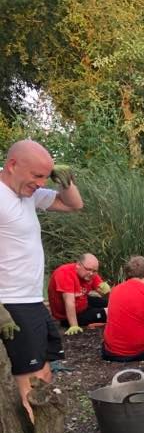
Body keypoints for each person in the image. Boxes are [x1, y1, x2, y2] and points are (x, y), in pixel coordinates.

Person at [0, 140, 83, 418]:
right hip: (11, 303)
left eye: (45, 177)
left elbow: (74, 205)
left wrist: (65, 181)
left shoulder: (28, 196)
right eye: (35, 175)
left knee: (44, 371)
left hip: (33, 301)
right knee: (29, 380)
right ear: (12, 165)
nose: (39, 183)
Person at [48, 253, 110, 333]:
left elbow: (104, 291)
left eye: (94, 271)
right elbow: (69, 302)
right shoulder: (65, 273)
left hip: (83, 301)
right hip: (67, 314)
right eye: (88, 269)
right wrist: (74, 325)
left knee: (110, 303)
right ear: (78, 265)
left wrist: (108, 291)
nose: (91, 273)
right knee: (109, 312)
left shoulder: (90, 274)